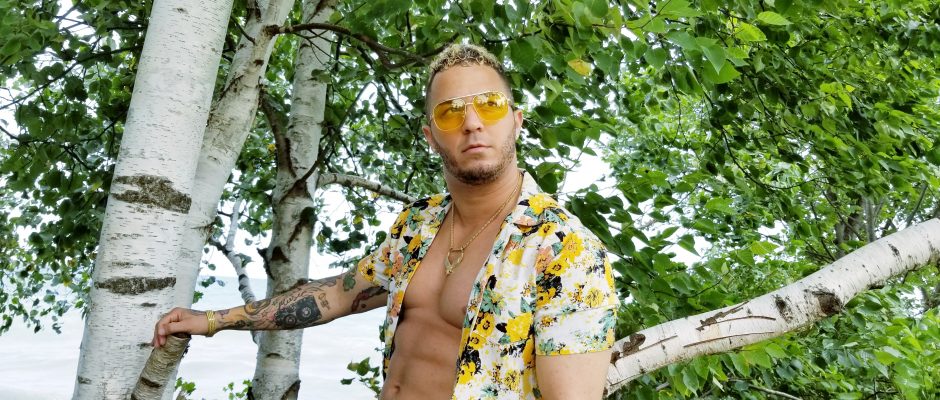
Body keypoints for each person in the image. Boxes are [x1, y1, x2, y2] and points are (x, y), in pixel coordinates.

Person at [153, 43, 618, 399]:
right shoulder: (419, 223)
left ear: (516, 120)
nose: (473, 123)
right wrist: (213, 319)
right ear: (430, 136)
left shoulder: (565, 250)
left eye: (489, 105)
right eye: (451, 112)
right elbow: (340, 294)